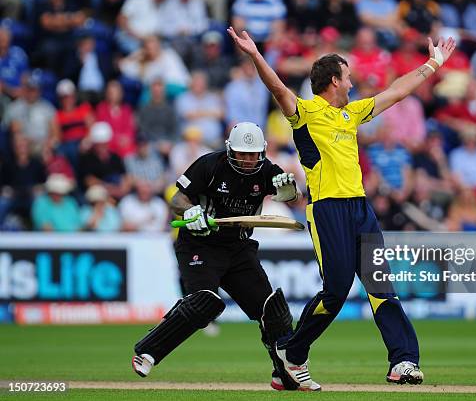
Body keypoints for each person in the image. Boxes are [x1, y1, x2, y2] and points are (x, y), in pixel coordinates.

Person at [227, 25, 455, 389]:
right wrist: (255, 54)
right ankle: (292, 353)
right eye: (348, 77)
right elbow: (277, 88)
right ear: (334, 80)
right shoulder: (305, 112)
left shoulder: (352, 114)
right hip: (327, 210)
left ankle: (403, 361)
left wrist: (433, 64)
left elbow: (396, 92)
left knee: (381, 286)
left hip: (360, 209)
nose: (353, 83)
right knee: (335, 291)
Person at [131, 122, 307, 392]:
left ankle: (284, 373)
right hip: (200, 245)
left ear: (262, 152)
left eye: (253, 154)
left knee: (272, 310)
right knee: (205, 303)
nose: (248, 161)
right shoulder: (209, 165)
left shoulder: (269, 170)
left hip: (238, 247)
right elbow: (177, 199)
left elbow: (293, 197)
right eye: (242, 154)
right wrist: (190, 212)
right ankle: (148, 351)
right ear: (229, 150)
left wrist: (289, 194)